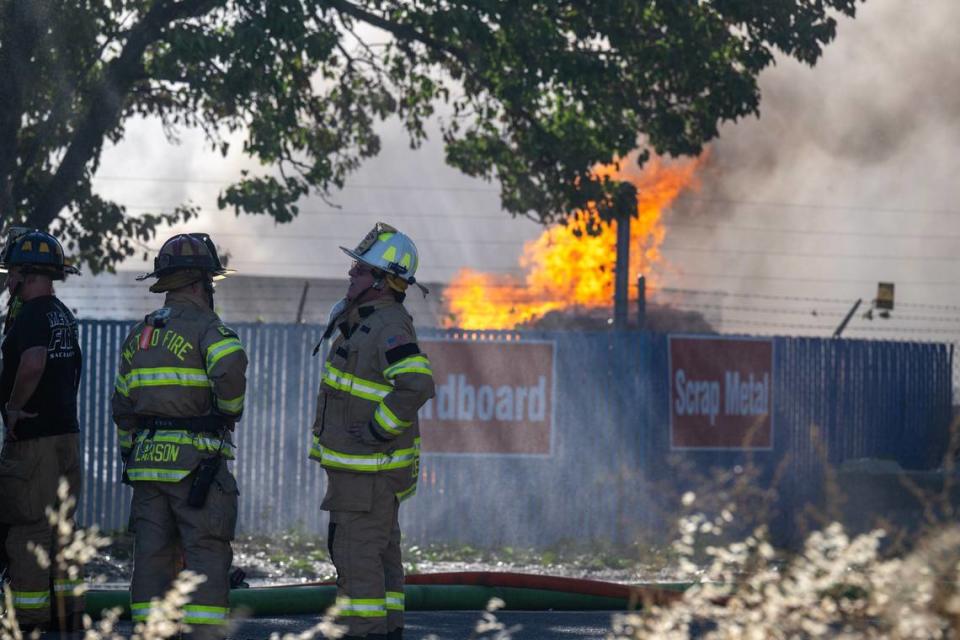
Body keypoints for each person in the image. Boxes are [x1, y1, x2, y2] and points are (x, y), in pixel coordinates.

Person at [112, 233, 247, 639]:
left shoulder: (140, 335)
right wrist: (228, 411)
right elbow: (230, 369)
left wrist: (130, 457)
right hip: (196, 467)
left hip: (147, 466)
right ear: (198, 283)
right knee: (206, 551)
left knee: (152, 557)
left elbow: (122, 407)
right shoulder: (210, 328)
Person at [310, 222, 435, 640]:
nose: (351, 275)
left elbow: (417, 383)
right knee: (379, 560)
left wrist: (378, 430)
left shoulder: (386, 326)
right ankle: (388, 629)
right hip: (362, 475)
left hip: (368, 474)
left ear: (383, 282)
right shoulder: (365, 320)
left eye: (360, 270)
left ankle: (366, 632)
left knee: (357, 560)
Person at [0, 229, 83, 633]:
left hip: (33, 444)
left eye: (12, 271)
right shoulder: (61, 314)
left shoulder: (31, 314)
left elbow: (32, 363)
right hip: (66, 437)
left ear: (27, 273)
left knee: (28, 530)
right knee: (60, 530)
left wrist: (14, 408)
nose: (9, 280)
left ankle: (29, 619)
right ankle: (63, 613)